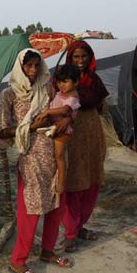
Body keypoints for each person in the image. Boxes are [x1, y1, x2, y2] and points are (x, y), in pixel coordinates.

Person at [0, 48, 73, 273]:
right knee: (30, 210)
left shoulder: (47, 88)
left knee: (56, 204)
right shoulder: (9, 94)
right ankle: (18, 261)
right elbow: (3, 130)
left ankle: (47, 251)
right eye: (27, 66)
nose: (32, 71)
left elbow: (65, 107)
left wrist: (68, 118)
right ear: (20, 67)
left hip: (55, 152)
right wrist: (28, 127)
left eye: (36, 66)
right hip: (30, 156)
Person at [63, 41, 109, 252]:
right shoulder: (64, 80)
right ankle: (70, 233)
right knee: (73, 183)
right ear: (70, 59)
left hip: (92, 134)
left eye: (84, 57)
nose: (80, 61)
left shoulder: (95, 80)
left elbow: (102, 106)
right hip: (72, 136)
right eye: (76, 57)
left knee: (91, 181)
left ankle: (79, 226)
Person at [37, 63, 81, 194]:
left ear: (76, 82)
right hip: (54, 126)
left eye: (66, 82)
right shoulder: (61, 93)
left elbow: (66, 109)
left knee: (59, 156)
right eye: (60, 82)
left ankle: (61, 183)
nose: (62, 85)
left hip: (63, 130)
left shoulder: (73, 97)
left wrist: (48, 112)